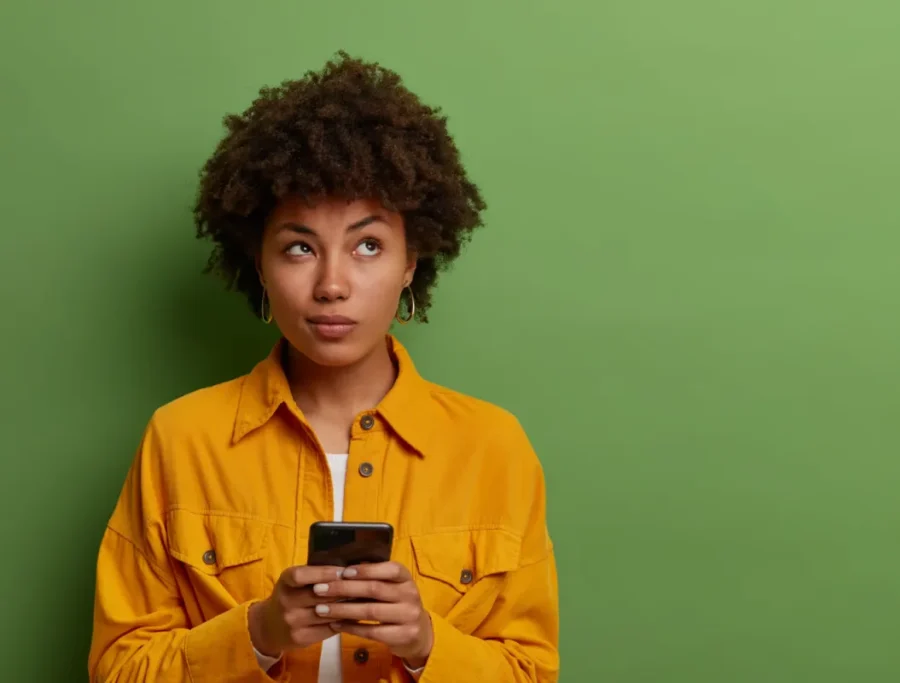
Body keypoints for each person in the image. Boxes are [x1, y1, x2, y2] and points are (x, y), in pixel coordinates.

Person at [87, 51, 559, 683]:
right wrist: (259, 634)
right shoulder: (181, 440)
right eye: (300, 247)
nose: (332, 285)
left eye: (368, 245)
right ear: (259, 263)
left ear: (411, 261)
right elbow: (117, 670)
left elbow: (532, 672)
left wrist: (426, 645)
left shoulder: (494, 448)